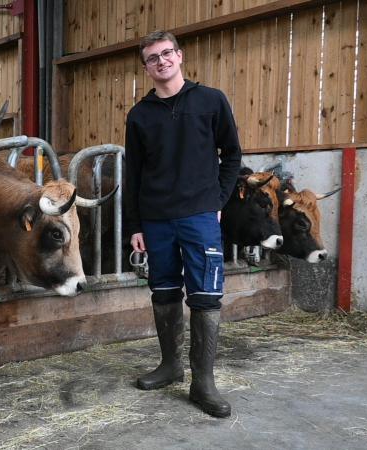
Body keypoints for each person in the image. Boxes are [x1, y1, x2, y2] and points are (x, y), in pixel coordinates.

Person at [123, 30, 242, 418]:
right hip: (156, 219)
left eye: (167, 53)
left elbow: (233, 156)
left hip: (199, 216)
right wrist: (135, 225)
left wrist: (218, 201)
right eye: (152, 58)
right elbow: (135, 174)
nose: (161, 61)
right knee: (164, 292)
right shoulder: (140, 115)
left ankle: (202, 382)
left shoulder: (210, 101)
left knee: (206, 296)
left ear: (180, 55)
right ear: (146, 67)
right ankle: (171, 365)